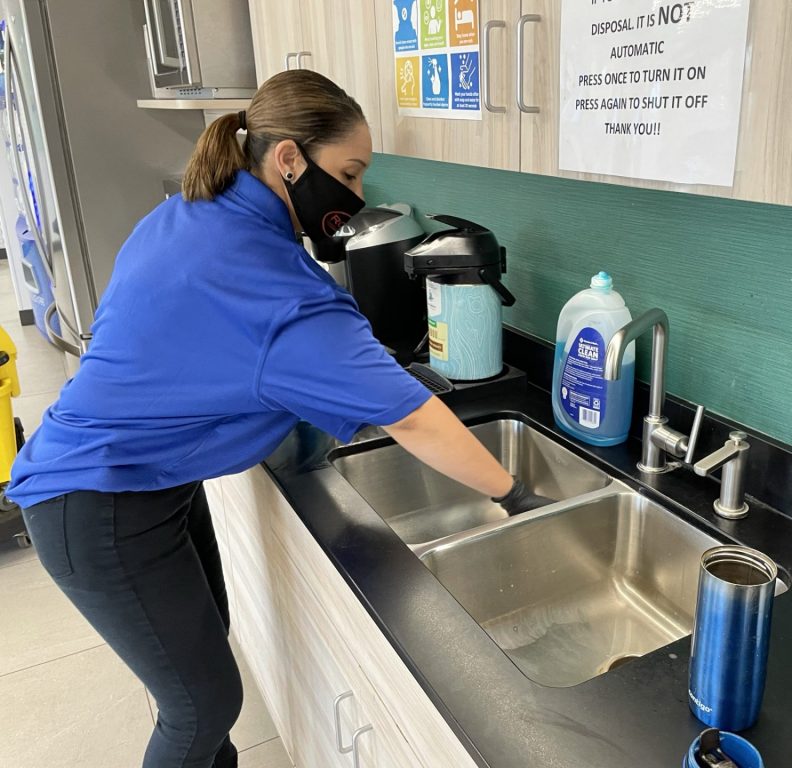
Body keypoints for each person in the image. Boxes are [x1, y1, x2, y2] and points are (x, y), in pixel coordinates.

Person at [6, 70, 547, 768]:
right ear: (289, 158)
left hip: (139, 482)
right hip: (97, 504)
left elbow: (208, 348)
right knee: (198, 708)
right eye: (349, 175)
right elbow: (413, 419)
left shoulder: (192, 211)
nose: (355, 200)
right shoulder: (276, 287)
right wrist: (513, 492)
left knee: (203, 674)